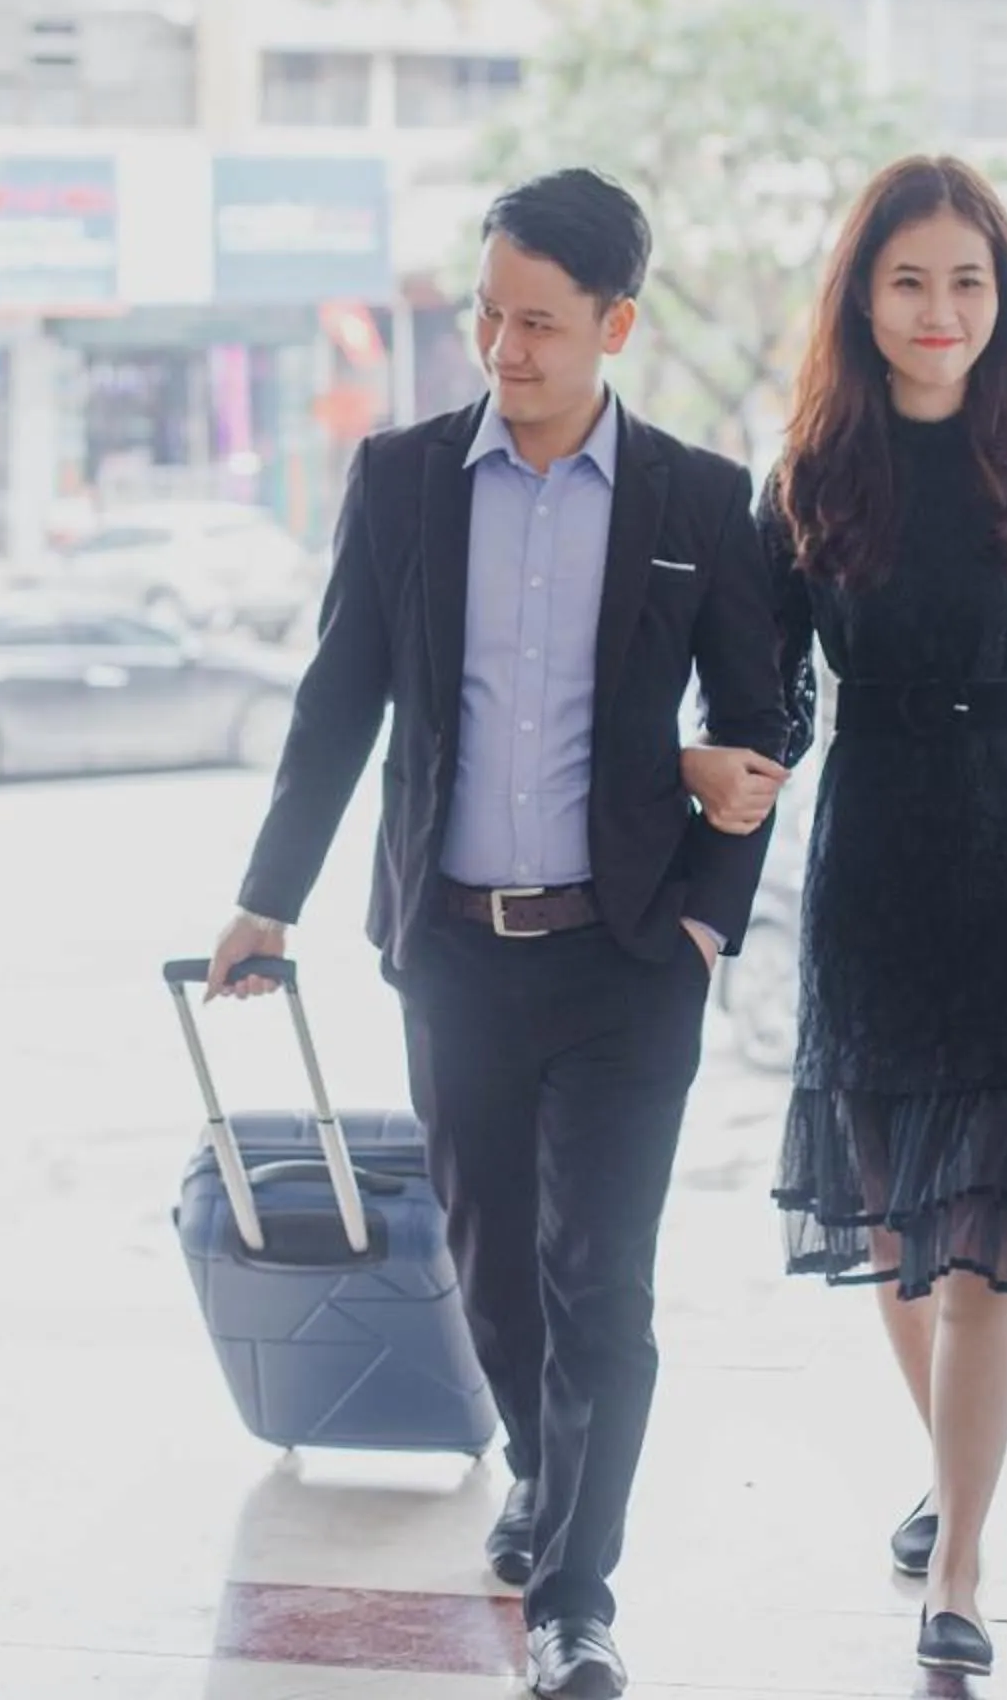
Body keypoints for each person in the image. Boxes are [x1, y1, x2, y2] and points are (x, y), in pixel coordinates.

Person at [206, 169, 789, 1700]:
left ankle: (577, 1600)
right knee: (494, 1271)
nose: (503, 348)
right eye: (488, 314)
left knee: (605, 1283)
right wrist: (269, 897)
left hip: (628, 957)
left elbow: (763, 720)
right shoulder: (403, 480)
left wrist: (709, 924)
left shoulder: (695, 499)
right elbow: (338, 704)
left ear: (616, 326)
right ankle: (544, 1473)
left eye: (538, 323)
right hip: (455, 950)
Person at [682, 156, 1007, 1677]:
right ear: (863, 299)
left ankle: (962, 1562)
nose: (940, 309)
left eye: (967, 281)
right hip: (875, 862)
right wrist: (697, 786)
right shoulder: (811, 477)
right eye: (909, 281)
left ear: (1004, 298)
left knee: (981, 1241)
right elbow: (767, 705)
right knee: (894, 1227)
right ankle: (952, 1478)